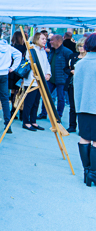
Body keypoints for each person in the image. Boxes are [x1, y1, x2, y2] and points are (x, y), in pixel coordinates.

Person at [74, 34, 96, 187]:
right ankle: (93, 173)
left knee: (84, 138)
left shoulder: (80, 64)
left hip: (82, 106)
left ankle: (86, 172)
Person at [22, 32, 51, 131]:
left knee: (36, 102)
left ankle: (33, 121)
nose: (45, 41)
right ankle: (26, 122)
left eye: (45, 39)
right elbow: (31, 64)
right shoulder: (31, 49)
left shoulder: (43, 51)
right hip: (32, 80)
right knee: (29, 102)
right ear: (37, 39)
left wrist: (48, 73)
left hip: (41, 81)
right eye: (42, 39)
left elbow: (47, 64)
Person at [37, 35, 72, 119]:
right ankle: (44, 113)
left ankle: (58, 116)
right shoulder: (52, 51)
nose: (50, 42)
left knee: (61, 98)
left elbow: (70, 66)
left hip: (62, 80)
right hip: (50, 79)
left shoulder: (67, 52)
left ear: (58, 41)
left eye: (52, 40)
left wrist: (66, 76)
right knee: (46, 96)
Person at [64, 37, 87, 133]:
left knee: (82, 108)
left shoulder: (89, 58)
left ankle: (82, 128)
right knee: (72, 107)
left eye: (83, 46)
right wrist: (71, 71)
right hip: (72, 84)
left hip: (84, 86)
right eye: (79, 46)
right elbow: (65, 68)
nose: (81, 48)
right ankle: (72, 126)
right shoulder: (73, 56)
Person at [9, 31, 27, 120]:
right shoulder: (24, 48)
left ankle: (13, 110)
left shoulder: (11, 47)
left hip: (12, 71)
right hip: (21, 71)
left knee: (13, 91)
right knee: (19, 91)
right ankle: (19, 110)